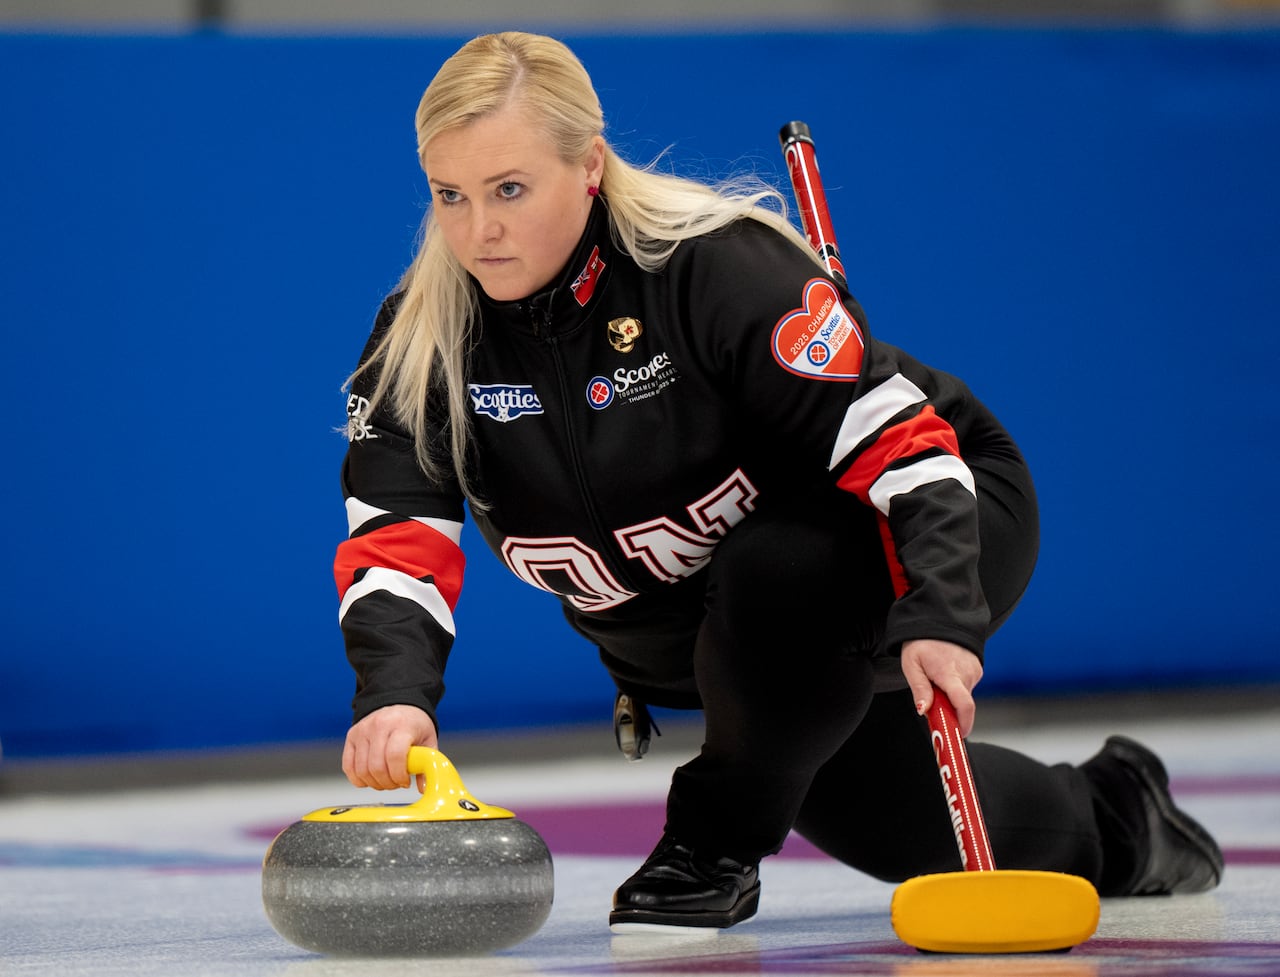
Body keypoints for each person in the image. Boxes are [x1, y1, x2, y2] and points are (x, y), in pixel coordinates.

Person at [334, 31, 1223, 930]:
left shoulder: (715, 269)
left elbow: (906, 450)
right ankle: (1118, 813)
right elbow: (396, 547)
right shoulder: (424, 342)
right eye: (450, 194)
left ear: (590, 166)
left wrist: (944, 608)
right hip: (751, 643)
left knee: (777, 569)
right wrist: (396, 694)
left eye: (510, 189)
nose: (479, 229)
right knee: (891, 823)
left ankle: (710, 845)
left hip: (927, 515)